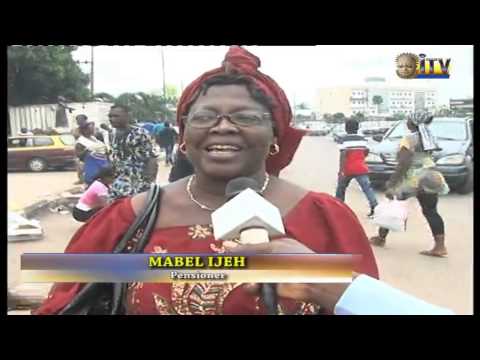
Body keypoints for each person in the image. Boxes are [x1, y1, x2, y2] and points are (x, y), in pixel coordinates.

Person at [34, 46, 379, 315]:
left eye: (245, 117)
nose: (224, 126)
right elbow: (61, 301)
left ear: (276, 134)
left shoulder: (325, 218)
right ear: (183, 136)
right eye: (205, 117)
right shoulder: (127, 217)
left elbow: (367, 305)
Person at [370, 112, 449, 257]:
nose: (406, 122)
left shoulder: (408, 139)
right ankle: (440, 246)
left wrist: (392, 183)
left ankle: (380, 238)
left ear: (413, 123)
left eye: (408, 120)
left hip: (413, 178)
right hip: (431, 175)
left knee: (392, 204)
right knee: (431, 211)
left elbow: (404, 163)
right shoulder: (429, 136)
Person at [107, 105, 159, 201]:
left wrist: (149, 182)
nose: (111, 119)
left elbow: (152, 157)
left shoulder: (140, 133)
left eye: (116, 116)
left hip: (138, 183)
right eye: (110, 116)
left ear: (127, 116)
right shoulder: (112, 134)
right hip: (119, 183)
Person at [335, 119, 378, 218]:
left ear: (346, 128)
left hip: (347, 169)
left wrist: (341, 171)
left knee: (341, 189)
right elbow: (366, 151)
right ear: (358, 128)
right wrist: (360, 158)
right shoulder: (362, 139)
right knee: (367, 189)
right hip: (361, 168)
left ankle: (338, 208)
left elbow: (343, 155)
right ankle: (375, 208)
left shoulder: (343, 139)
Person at [75, 119, 110, 187]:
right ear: (85, 130)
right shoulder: (81, 142)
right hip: (92, 167)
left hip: (103, 165)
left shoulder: (94, 138)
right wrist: (88, 152)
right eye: (91, 128)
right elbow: (79, 155)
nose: (94, 129)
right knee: (94, 186)